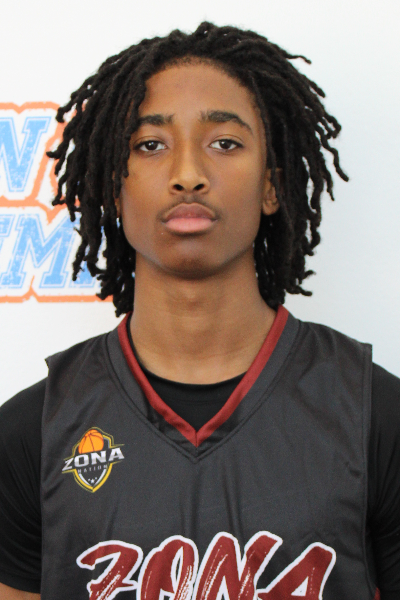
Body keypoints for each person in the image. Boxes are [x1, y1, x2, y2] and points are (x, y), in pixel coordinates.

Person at [0, 21, 399, 600]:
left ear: (271, 187)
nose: (188, 174)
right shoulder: (30, 433)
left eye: (225, 143)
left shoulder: (376, 417)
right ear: (114, 188)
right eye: (150, 145)